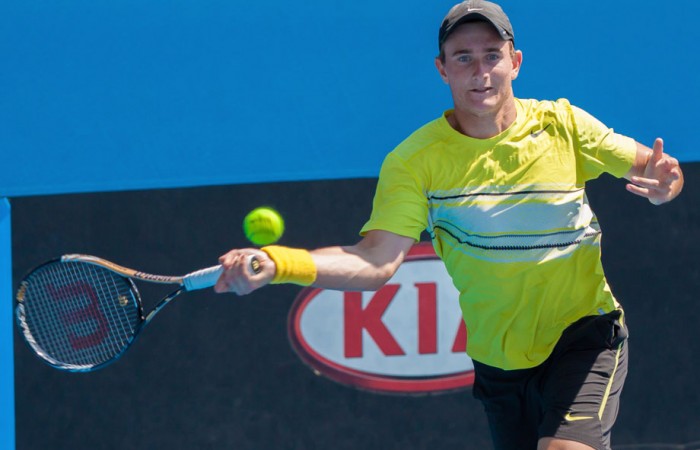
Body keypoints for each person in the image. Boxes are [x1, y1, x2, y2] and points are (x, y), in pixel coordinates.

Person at [214, 1, 684, 449]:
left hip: (585, 333)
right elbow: (374, 260)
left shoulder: (564, 126)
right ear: (442, 69)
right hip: (500, 362)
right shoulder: (415, 162)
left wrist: (667, 182)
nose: (480, 72)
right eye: (463, 58)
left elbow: (656, 166)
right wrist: (279, 262)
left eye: (491, 56)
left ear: (515, 62)